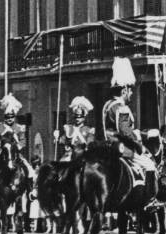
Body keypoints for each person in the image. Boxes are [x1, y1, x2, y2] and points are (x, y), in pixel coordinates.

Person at [102, 57, 157, 193]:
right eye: (130, 90)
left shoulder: (107, 105)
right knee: (149, 164)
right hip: (120, 147)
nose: (131, 93)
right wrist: (140, 144)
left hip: (106, 145)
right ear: (124, 90)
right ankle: (151, 199)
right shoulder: (122, 108)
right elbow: (125, 132)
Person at [57, 96, 95, 160]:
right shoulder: (69, 128)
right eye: (76, 117)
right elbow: (62, 141)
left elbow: (90, 143)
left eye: (80, 117)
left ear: (84, 117)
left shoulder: (88, 130)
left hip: (82, 156)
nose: (77, 119)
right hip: (69, 155)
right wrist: (57, 138)